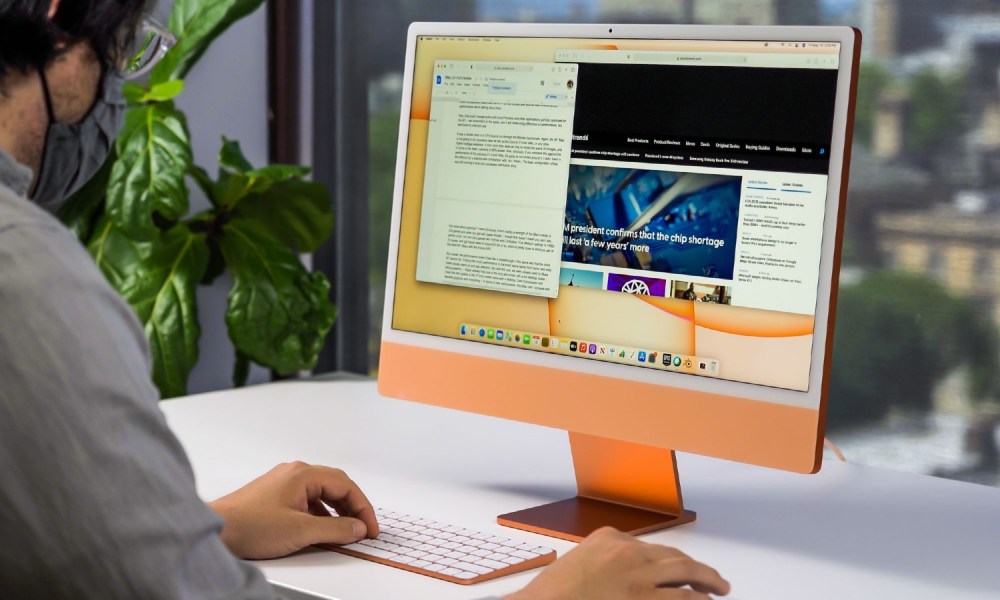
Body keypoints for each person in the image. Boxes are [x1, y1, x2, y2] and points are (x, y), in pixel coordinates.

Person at [0, 2, 731, 599]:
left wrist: (205, 530)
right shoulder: (25, 276)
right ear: (60, 22)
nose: (119, 91)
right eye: (128, 50)